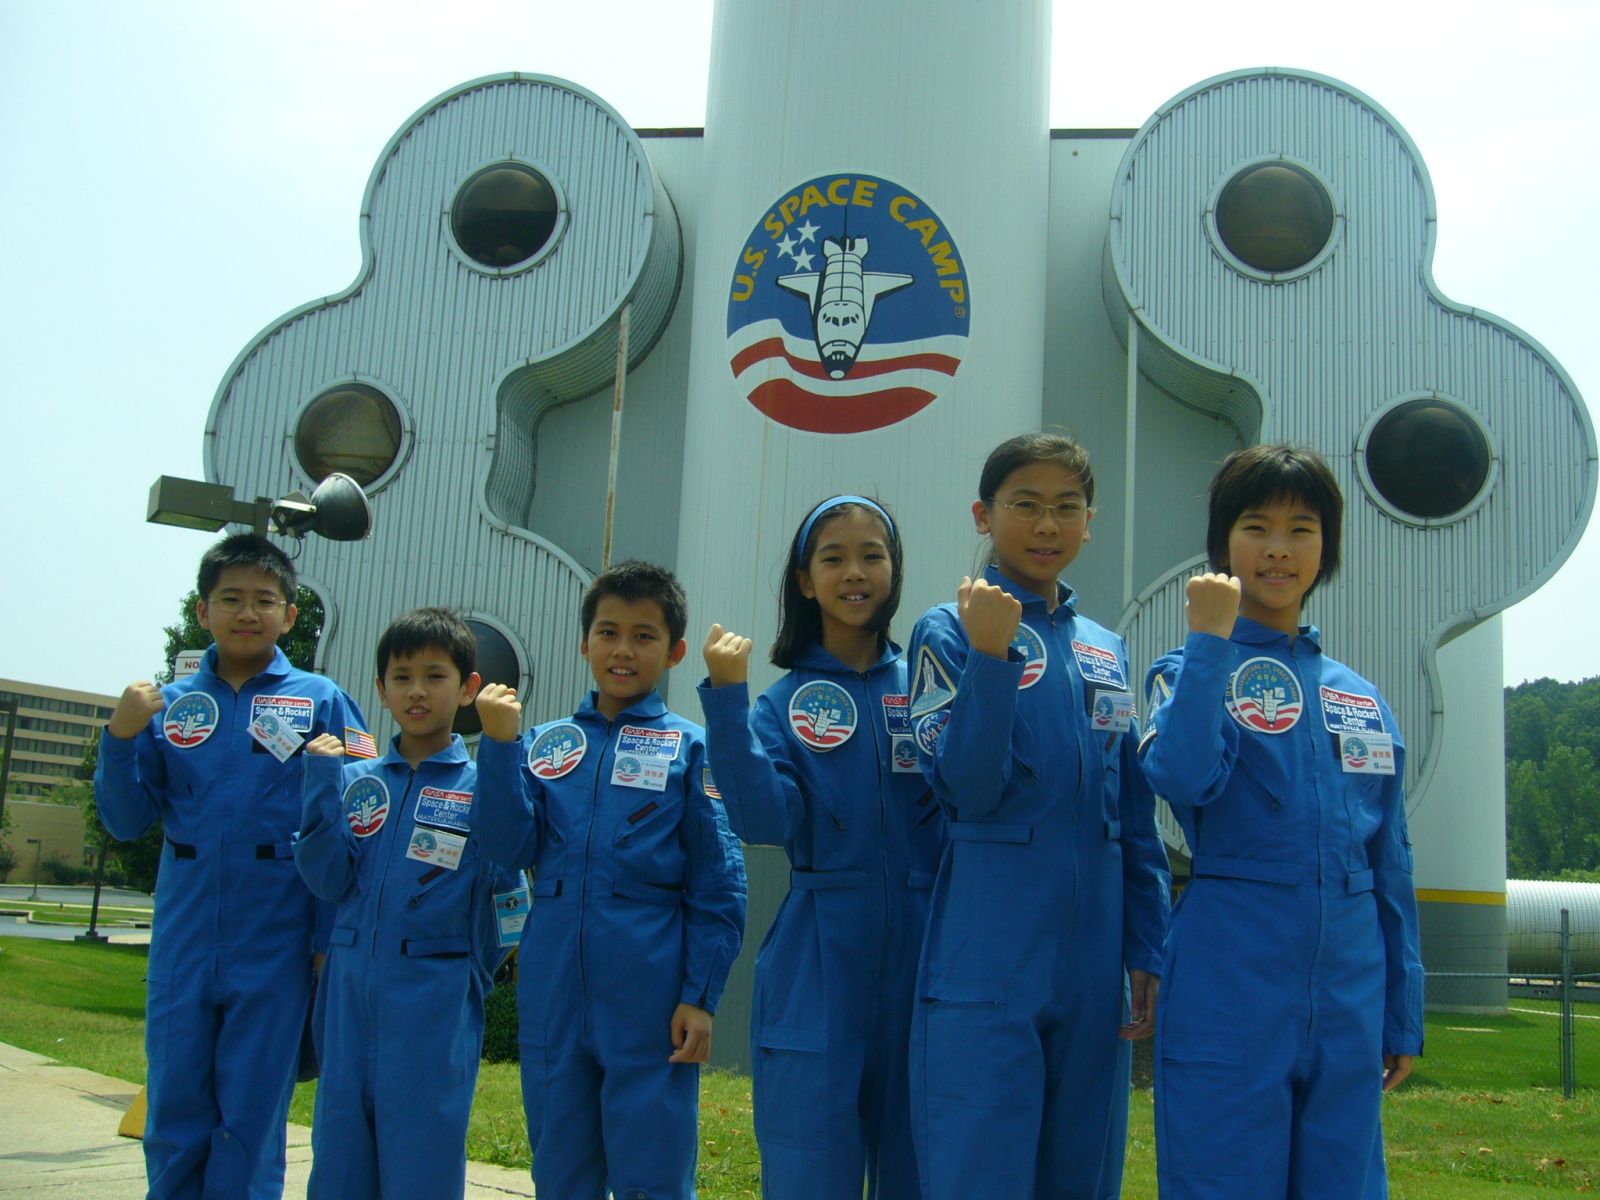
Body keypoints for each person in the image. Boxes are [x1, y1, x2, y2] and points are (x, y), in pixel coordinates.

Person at [1138, 444, 1424, 1198]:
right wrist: (1210, 642)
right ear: (1222, 544)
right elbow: (1179, 777)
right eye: (1256, 526)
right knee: (1223, 1177)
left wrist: (1402, 1010)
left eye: (1301, 529)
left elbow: (1391, 861)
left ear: (1325, 547)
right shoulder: (1188, 672)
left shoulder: (1359, 698)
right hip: (1229, 978)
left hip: (1350, 991)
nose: (1278, 549)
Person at [905, 432, 1170, 1199]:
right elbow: (965, 789)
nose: (1047, 525)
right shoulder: (948, 630)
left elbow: (1133, 810)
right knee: (979, 1162)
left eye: (1067, 507)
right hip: (990, 939)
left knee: (1083, 1168)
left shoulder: (1104, 648)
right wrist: (991, 659)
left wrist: (1147, 942)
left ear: (1090, 522)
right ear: (983, 515)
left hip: (1094, 949)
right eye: (1025, 504)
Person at [96, 532, 371, 1200]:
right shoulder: (168, 706)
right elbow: (126, 821)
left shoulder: (324, 700)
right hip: (186, 934)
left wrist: (327, 939)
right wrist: (119, 737)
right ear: (203, 611)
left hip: (278, 936)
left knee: (252, 1110)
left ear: (290, 614)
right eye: (231, 598)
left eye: (264, 600)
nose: (248, 613)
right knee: (175, 1108)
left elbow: (360, 818)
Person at [473, 560, 747, 1200]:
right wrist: (500, 747)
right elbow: (507, 848)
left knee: (653, 1172)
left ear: (675, 651)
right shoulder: (545, 746)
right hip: (554, 991)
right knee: (560, 1171)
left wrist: (701, 995)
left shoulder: (691, 749)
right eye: (608, 632)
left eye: (644, 636)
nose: (623, 650)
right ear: (584, 643)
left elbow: (719, 883)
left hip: (650, 993)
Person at [698, 495, 945, 1200]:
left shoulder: (930, 686)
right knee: (810, 1161)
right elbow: (762, 821)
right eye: (833, 558)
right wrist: (728, 702)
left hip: (927, 949)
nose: (855, 572)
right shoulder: (781, 704)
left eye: (872, 555)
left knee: (923, 1163)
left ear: (895, 571)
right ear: (805, 582)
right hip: (818, 955)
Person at [293, 606, 527, 1199]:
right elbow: (327, 880)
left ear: (468, 688)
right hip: (349, 991)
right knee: (340, 1158)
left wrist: (468, 973)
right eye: (402, 677)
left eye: (434, 675)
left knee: (422, 1158)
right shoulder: (357, 782)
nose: (417, 691)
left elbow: (511, 899)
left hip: (436, 999)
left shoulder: (480, 787)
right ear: (382, 689)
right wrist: (320, 787)